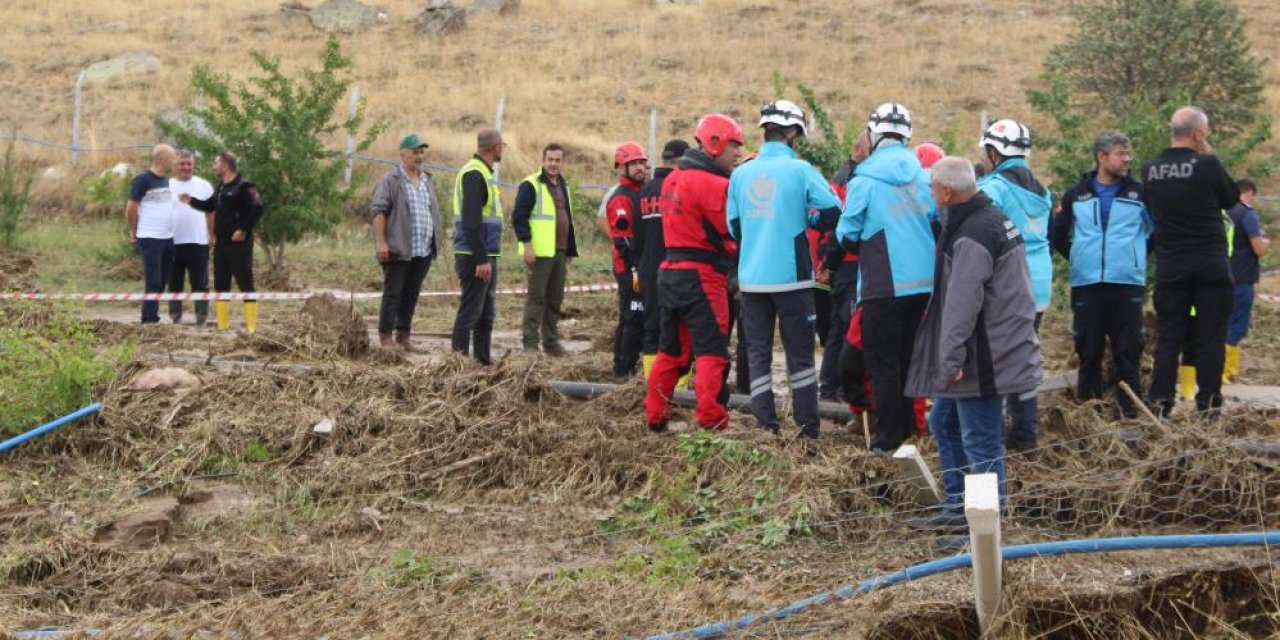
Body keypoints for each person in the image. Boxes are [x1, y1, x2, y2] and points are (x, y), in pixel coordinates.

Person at [906, 157, 1041, 531]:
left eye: (933, 190)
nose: (931, 197)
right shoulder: (987, 220)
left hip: (984, 355)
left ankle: (983, 528)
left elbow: (961, 304)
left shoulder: (973, 233)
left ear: (947, 192)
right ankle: (956, 507)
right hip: (993, 345)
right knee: (943, 422)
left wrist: (948, 360)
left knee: (982, 441)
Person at [727, 100, 842, 439]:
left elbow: (733, 227)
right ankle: (807, 430)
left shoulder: (740, 173)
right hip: (792, 279)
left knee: (759, 354)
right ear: (792, 133)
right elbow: (835, 211)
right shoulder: (801, 170)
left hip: (752, 279)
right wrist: (809, 218)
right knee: (800, 358)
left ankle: (766, 427)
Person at [836, 103, 937, 454]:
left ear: (874, 134)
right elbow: (939, 225)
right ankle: (911, 427)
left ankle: (887, 438)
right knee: (910, 359)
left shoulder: (863, 179)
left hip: (882, 285)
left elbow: (846, 235)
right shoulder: (926, 176)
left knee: (882, 365)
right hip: (924, 285)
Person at [645, 114, 744, 432]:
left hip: (670, 273)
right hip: (703, 276)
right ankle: (711, 420)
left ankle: (655, 415)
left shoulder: (674, 178)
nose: (738, 154)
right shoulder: (716, 185)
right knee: (712, 351)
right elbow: (730, 234)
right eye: (734, 147)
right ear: (715, 144)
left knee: (671, 351)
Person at [1143, 107, 1240, 417]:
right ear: (1198, 133)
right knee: (1211, 336)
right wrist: (1206, 156)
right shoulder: (1208, 164)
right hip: (1210, 266)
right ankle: (1208, 406)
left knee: (1169, 337)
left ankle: (1160, 404)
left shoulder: (1150, 169)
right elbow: (1230, 198)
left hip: (1171, 266)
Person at [1051, 131, 1152, 418]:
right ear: (1101, 157)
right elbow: (1058, 233)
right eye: (1121, 154)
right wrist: (1080, 258)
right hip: (1087, 284)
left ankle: (1131, 414)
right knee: (1089, 351)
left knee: (1128, 352)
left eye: (1128, 154)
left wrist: (1135, 256)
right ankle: (1088, 416)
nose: (1127, 159)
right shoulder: (1076, 194)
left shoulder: (1140, 193)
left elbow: (1158, 231)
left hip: (1127, 284)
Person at [977, 119, 1053, 450]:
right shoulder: (1042, 191)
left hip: (1008, 285)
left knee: (997, 360)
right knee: (1025, 356)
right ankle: (1026, 430)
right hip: (1039, 285)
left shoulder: (994, 189)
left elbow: (979, 233)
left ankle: (1014, 433)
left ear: (994, 152)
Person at [369, 134, 444, 351]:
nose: (419, 156)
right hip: (399, 247)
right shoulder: (390, 181)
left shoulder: (426, 180)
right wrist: (381, 242)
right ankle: (385, 338)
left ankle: (404, 336)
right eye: (415, 152)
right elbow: (379, 211)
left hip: (422, 250)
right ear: (402, 154)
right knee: (394, 293)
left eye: (421, 152)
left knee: (411, 294)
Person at [179, 152, 262, 333]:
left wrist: (243, 230)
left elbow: (258, 207)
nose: (213, 166)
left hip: (239, 244)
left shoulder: (245, 186)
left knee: (245, 282)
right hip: (221, 244)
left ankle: (251, 328)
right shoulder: (221, 187)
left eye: (215, 162)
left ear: (225, 165)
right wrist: (191, 201)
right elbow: (210, 206)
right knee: (221, 284)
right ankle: (223, 326)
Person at [512, 142, 578, 356]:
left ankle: (550, 341)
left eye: (558, 160)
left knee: (555, 298)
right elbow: (519, 218)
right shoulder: (530, 184)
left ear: (563, 162)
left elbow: (567, 217)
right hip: (540, 252)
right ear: (543, 161)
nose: (553, 164)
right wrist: (528, 246)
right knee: (537, 298)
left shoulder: (563, 185)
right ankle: (530, 343)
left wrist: (569, 249)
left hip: (559, 251)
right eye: (550, 160)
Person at [451, 128, 506, 365]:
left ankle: (483, 361)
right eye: (502, 145)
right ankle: (458, 363)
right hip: (475, 255)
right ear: (495, 147)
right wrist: (482, 259)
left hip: (485, 253)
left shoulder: (483, 173)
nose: (503, 149)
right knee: (471, 311)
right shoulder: (474, 174)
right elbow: (472, 220)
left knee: (486, 313)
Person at [637, 139, 690, 376]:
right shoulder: (680, 186)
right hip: (675, 267)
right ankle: (678, 386)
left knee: (651, 326)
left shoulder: (645, 189)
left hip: (648, 267)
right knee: (679, 328)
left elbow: (637, 233)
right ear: (680, 160)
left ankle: (652, 381)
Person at [605, 141, 651, 378]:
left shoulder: (641, 192)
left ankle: (630, 364)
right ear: (622, 167)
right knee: (631, 316)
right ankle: (622, 368)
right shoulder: (623, 197)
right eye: (634, 164)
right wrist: (635, 269)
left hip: (640, 265)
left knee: (639, 316)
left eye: (642, 162)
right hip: (630, 268)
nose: (640, 168)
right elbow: (623, 240)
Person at [1224, 178, 1270, 382]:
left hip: (1218, 277)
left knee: (1219, 325)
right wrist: (1266, 242)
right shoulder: (1247, 213)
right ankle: (1227, 371)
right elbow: (1258, 248)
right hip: (1241, 279)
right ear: (1249, 193)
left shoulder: (1221, 212)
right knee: (1237, 326)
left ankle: (1213, 370)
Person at [127, 144, 176, 324]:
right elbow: (131, 208)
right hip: (149, 237)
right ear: (163, 160)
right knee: (153, 279)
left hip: (168, 237)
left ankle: (148, 313)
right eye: (173, 158)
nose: (175, 162)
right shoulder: (143, 180)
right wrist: (134, 231)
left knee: (163, 279)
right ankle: (150, 320)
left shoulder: (168, 182)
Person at [166, 150, 213, 327]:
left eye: (189, 164)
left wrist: (213, 234)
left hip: (198, 242)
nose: (185, 167)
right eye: (182, 163)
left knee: (200, 283)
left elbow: (211, 212)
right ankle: (175, 317)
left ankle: (201, 318)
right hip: (173, 242)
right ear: (175, 165)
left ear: (193, 166)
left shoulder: (204, 185)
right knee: (174, 282)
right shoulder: (167, 186)